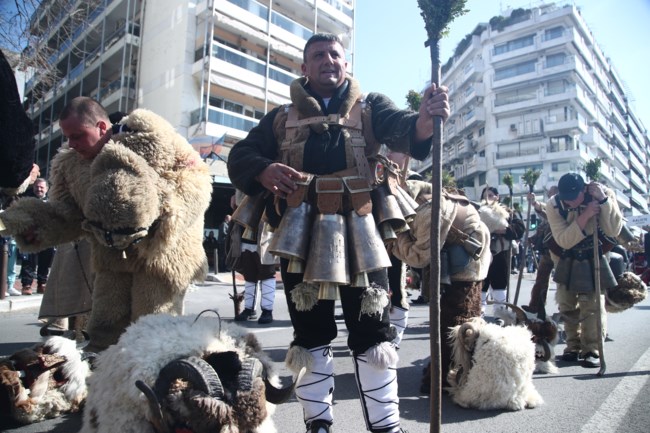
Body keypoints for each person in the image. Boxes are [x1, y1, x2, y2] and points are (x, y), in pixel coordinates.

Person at [227, 33, 449, 433]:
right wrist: (262, 169)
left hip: (363, 235)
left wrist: (423, 121)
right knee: (310, 332)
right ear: (304, 68)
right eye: (318, 55)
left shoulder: (371, 108)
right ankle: (318, 424)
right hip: (300, 239)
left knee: (373, 331)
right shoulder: (279, 118)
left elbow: (403, 128)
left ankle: (386, 426)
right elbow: (240, 154)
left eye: (335, 54)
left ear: (346, 63)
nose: (328, 60)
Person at [0, 97, 213, 353]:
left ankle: (153, 388)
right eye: (68, 137)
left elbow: (197, 179)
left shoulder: (152, 136)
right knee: (104, 330)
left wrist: (162, 215)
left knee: (154, 334)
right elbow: (69, 215)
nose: (72, 144)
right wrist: (32, 222)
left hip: (162, 257)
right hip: (112, 259)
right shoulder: (70, 165)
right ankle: (101, 385)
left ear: (102, 127)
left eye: (78, 135)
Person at [546, 173, 622, 368]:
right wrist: (586, 214)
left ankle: (592, 349)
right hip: (565, 257)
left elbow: (614, 230)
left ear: (584, 190)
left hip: (594, 256)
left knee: (593, 304)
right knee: (566, 302)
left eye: (574, 197)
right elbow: (563, 239)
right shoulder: (554, 205)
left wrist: (603, 201)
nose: (570, 202)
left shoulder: (602, 195)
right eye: (566, 198)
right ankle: (572, 345)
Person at [231, 192, 276, 325]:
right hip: (246, 234)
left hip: (265, 235)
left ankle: (267, 310)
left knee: (267, 274)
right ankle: (249, 309)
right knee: (249, 275)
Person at [478, 186, 525, 315]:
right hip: (482, 252)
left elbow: (520, 228)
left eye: (491, 195)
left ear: (497, 197)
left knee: (500, 284)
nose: (488, 198)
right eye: (485, 196)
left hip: (501, 252)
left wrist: (503, 230)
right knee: (482, 282)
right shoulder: (478, 211)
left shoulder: (507, 212)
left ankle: (500, 314)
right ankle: (479, 313)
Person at [522, 185, 559, 314]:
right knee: (541, 280)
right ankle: (536, 306)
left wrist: (536, 204)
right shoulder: (550, 207)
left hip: (561, 252)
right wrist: (532, 239)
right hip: (547, 252)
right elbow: (542, 229)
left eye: (553, 194)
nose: (550, 196)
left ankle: (565, 309)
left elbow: (544, 211)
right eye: (550, 194)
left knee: (563, 282)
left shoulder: (561, 208)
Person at [18, 178, 56, 295]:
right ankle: (27, 285)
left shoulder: (52, 201)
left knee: (45, 260)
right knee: (29, 261)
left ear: (47, 189)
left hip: (47, 236)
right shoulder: (26, 199)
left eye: (41, 187)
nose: (39, 189)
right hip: (30, 235)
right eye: (37, 187)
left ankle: (41, 284)